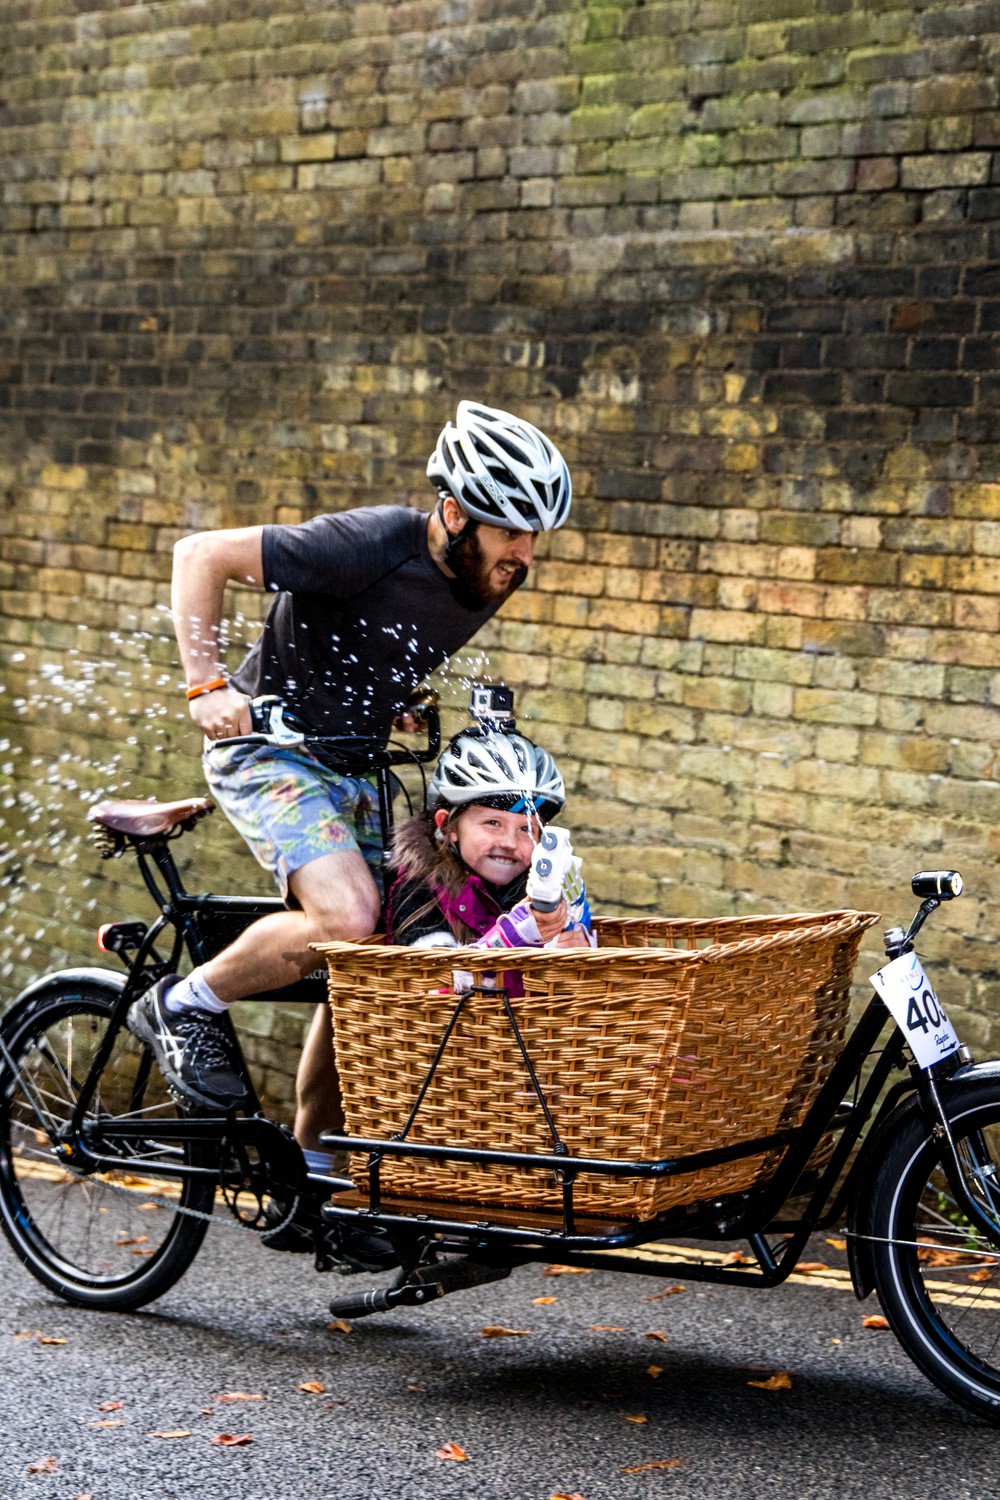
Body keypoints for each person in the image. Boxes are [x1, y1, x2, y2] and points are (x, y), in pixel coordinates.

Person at [126, 403, 574, 1179]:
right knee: (348, 915)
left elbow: (367, 644)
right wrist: (205, 685)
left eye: (533, 535)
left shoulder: (489, 576)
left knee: (375, 957)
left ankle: (312, 1173)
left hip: (354, 763)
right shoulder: (365, 543)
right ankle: (179, 1005)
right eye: (509, 531)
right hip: (269, 752)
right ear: (456, 515)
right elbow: (200, 554)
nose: (524, 553)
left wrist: (389, 703)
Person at [387, 728, 593, 954]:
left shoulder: (538, 887)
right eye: (493, 823)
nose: (509, 843)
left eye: (525, 828)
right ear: (447, 826)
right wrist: (516, 937)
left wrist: (577, 946)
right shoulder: (420, 889)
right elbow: (436, 970)